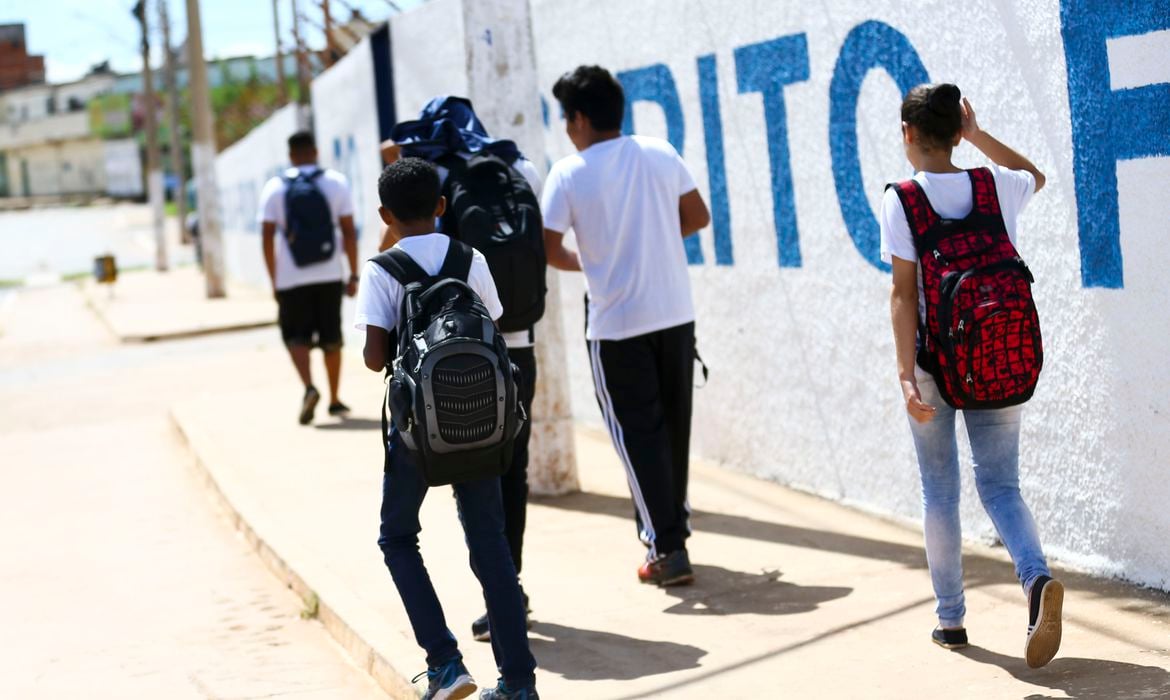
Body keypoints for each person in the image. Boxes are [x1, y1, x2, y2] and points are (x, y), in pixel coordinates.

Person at [879, 83, 1063, 668]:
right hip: (998, 355)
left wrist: (906, 376)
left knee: (940, 490)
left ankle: (952, 620)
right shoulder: (995, 186)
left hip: (937, 366)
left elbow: (903, 293)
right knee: (1002, 487)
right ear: (957, 132)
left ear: (908, 134)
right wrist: (979, 135)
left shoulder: (903, 199)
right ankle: (1036, 580)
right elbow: (1034, 174)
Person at [355, 158, 539, 700]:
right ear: (442, 207)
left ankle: (444, 662)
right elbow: (496, 323)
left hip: (417, 429)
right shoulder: (469, 256)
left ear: (386, 214)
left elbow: (372, 357)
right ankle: (519, 683)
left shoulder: (382, 268)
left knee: (397, 536)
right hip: (481, 422)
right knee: (491, 543)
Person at [382, 96, 546, 642]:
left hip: (428, 376)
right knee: (507, 474)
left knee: (421, 510)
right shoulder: (514, 167)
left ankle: (469, 633)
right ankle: (510, 592)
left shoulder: (429, 176)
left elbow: (391, 255)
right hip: (510, 355)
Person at [542, 65, 711, 586]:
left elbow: (548, 248)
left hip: (616, 325)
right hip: (675, 314)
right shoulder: (659, 151)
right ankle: (669, 534)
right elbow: (698, 216)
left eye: (567, 117)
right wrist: (653, 241)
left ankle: (667, 547)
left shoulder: (569, 173)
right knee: (671, 433)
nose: (566, 127)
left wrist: (594, 262)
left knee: (637, 438)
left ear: (582, 119)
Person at [259, 130, 359, 424]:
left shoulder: (275, 187)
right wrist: (352, 273)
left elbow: (266, 236)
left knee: (295, 336)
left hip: (291, 278)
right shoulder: (336, 183)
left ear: (290, 155)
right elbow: (349, 232)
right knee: (331, 337)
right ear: (315, 151)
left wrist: (274, 278)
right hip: (329, 273)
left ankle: (309, 387)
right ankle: (335, 398)